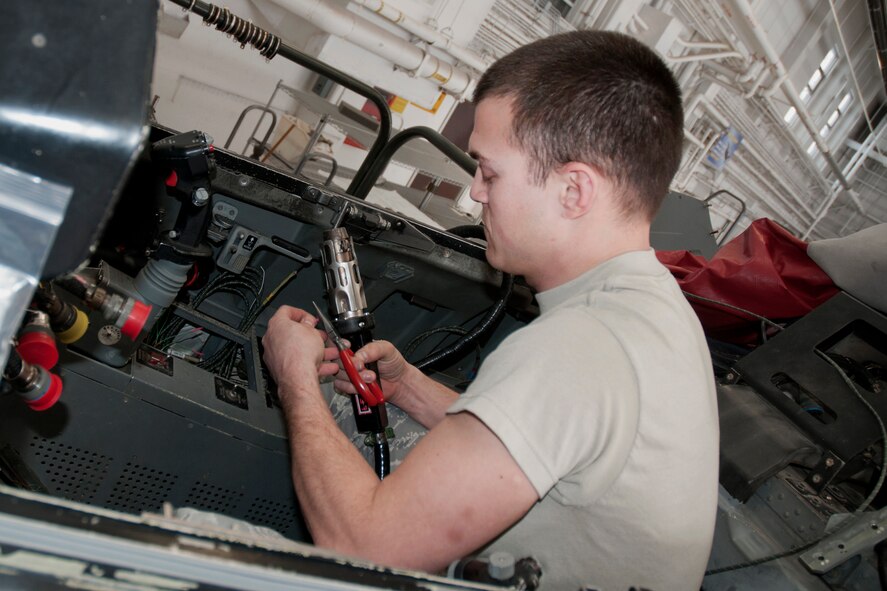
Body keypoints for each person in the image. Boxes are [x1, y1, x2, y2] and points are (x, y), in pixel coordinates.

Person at [262, 30, 719, 590]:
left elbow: (363, 547)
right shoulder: (652, 307)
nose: (476, 193)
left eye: (490, 171)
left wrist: (295, 382)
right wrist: (406, 386)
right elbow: (545, 439)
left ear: (575, 191)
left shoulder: (579, 346)